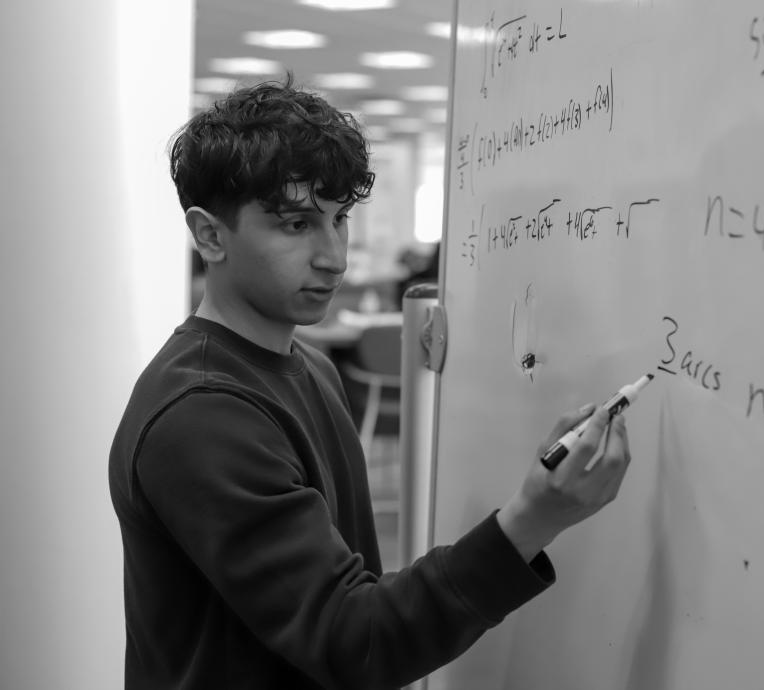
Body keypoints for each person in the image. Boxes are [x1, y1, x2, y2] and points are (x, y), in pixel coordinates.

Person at [108, 76, 632, 690]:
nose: (335, 256)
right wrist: (533, 517)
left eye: (340, 218)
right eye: (296, 224)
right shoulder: (202, 415)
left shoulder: (314, 368)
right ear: (209, 235)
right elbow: (350, 639)